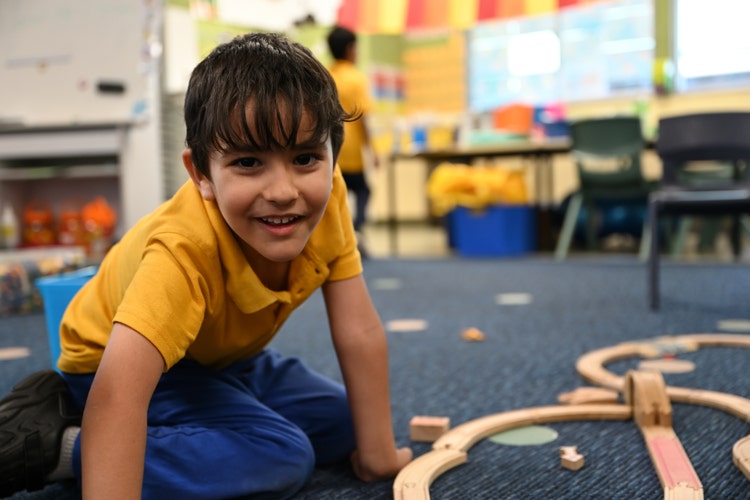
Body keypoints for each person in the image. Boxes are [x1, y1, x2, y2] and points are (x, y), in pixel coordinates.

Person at [0, 32, 411, 499]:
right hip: (108, 367)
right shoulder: (184, 250)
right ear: (201, 174)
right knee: (282, 455)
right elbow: (119, 395)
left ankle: (210, 421)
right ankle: (59, 445)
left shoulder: (331, 194)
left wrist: (377, 453)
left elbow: (358, 331)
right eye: (249, 162)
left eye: (304, 158)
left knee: (345, 424)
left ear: (331, 158)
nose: (282, 191)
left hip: (218, 357)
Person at [326, 25, 379, 255]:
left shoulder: (325, 76)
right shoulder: (356, 78)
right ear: (350, 49)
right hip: (352, 149)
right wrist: (372, 149)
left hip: (329, 150)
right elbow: (363, 118)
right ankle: (355, 230)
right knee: (364, 191)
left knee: (335, 195)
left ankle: (338, 238)